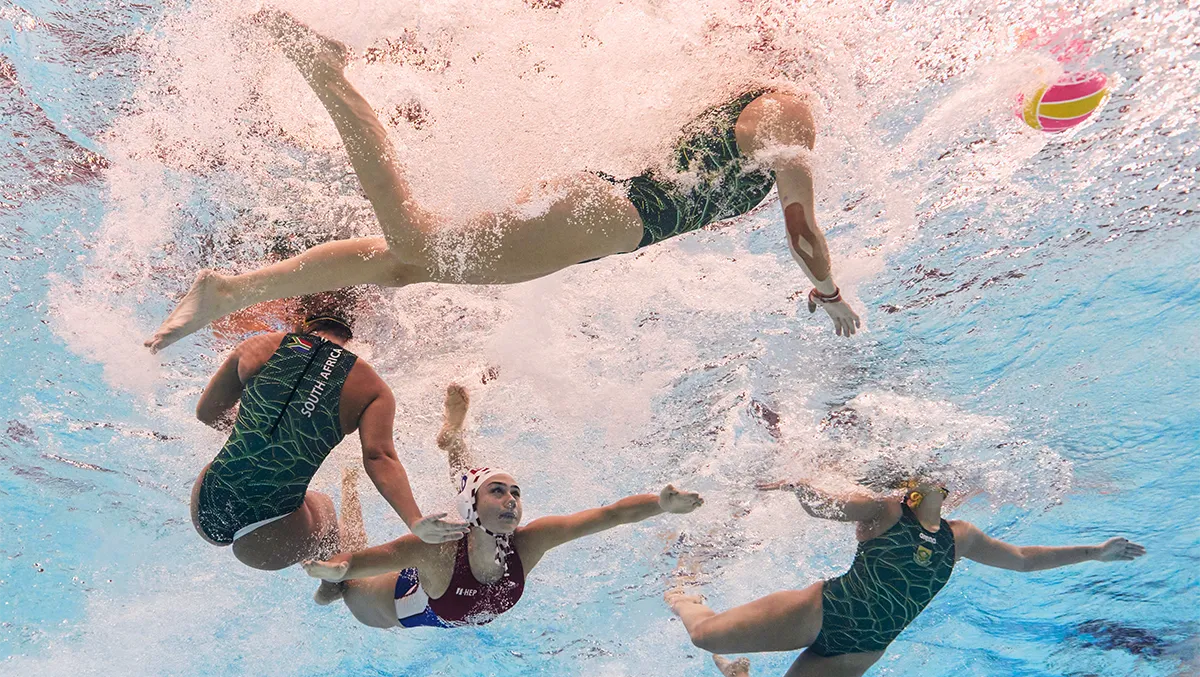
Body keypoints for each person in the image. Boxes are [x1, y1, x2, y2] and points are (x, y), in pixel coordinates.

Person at [144, 8, 862, 353]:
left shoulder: (733, 96)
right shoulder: (788, 119)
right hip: (603, 218)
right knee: (417, 245)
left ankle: (234, 292)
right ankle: (324, 73)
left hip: (596, 200)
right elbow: (801, 227)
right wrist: (828, 294)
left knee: (402, 267)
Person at [665, 478, 1146, 677]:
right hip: (823, 609)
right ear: (912, 489)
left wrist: (1095, 552)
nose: (938, 490)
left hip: (858, 653)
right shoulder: (886, 512)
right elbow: (826, 509)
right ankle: (686, 595)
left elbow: (1023, 559)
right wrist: (798, 486)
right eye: (926, 484)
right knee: (705, 636)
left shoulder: (962, 536)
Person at [303, 383, 703, 629]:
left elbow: (610, 515)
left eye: (516, 492)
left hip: (454, 573)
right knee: (343, 589)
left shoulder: (531, 541)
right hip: (395, 607)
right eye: (500, 492)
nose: (512, 499)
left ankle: (454, 442)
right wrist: (332, 571)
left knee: (470, 495)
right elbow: (358, 561)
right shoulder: (435, 551)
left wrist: (661, 505)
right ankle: (349, 481)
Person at [190, 298, 468, 570]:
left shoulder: (259, 346)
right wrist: (414, 520)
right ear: (352, 335)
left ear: (301, 323)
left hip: (209, 499)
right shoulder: (371, 386)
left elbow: (207, 413)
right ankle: (337, 573)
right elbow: (379, 457)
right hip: (272, 536)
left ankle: (335, 567)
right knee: (326, 514)